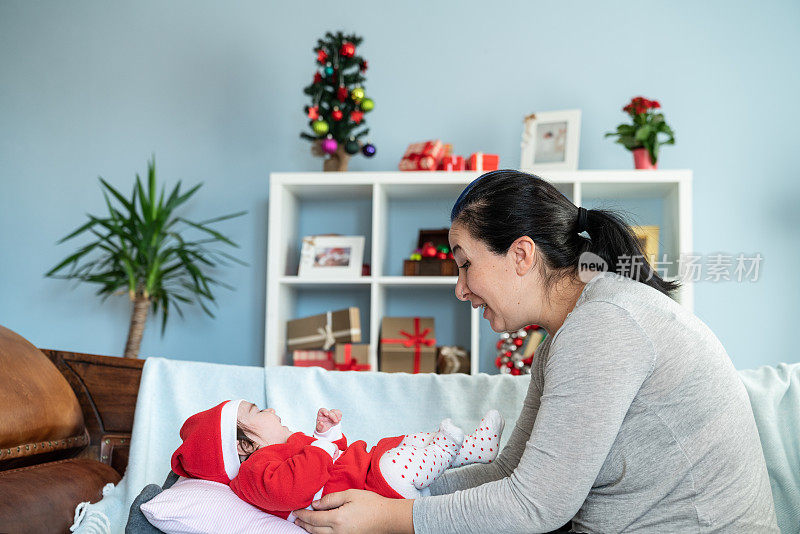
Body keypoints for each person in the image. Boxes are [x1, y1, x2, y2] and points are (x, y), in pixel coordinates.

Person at [292, 170, 779, 533]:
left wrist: (393, 517)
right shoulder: (569, 332)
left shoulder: (605, 324)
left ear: (522, 255)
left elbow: (535, 506)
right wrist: (387, 488)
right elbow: (510, 472)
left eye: (465, 265)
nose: (461, 289)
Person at [169, 399, 505, 524]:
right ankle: (444, 452)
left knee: (409, 442)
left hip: (366, 468)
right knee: (398, 463)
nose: (271, 410)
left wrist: (330, 434)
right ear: (243, 445)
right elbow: (294, 490)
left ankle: (477, 448)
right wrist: (322, 445)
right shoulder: (254, 473)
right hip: (371, 488)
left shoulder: (286, 446)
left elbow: (333, 458)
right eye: (258, 412)